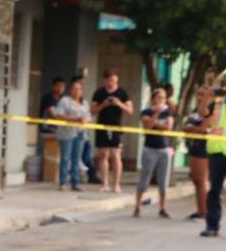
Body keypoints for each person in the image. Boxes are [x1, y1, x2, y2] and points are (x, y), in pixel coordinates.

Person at [134, 87, 175, 218]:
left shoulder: (168, 112)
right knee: (145, 179)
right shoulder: (146, 111)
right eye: (159, 97)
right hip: (150, 148)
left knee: (163, 181)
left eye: (163, 98)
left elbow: (168, 127)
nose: (161, 100)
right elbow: (147, 126)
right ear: (153, 99)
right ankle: (137, 206)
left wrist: (156, 124)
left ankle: (163, 208)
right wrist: (156, 114)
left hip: (164, 149)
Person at [91, 69, 133, 193]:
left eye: (114, 81)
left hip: (116, 126)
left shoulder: (122, 93)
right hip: (102, 126)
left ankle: (116, 184)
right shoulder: (99, 93)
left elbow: (130, 111)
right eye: (109, 80)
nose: (111, 83)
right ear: (105, 80)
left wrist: (119, 103)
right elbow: (93, 110)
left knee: (115, 155)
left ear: (117, 80)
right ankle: (105, 184)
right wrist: (103, 105)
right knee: (103, 155)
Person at [53, 77, 91, 191]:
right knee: (65, 157)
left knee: (77, 158)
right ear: (71, 90)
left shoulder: (84, 103)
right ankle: (63, 182)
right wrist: (75, 119)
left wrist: (85, 120)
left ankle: (75, 182)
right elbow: (58, 115)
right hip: (66, 133)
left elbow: (88, 116)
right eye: (74, 89)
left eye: (79, 89)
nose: (77, 91)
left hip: (80, 133)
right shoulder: (65, 101)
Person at [183, 84, 214, 220]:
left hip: (204, 146)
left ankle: (205, 211)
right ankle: (200, 209)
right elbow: (185, 127)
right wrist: (193, 129)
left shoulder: (212, 109)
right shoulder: (195, 110)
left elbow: (203, 129)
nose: (200, 97)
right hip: (194, 145)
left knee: (201, 180)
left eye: (203, 94)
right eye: (199, 94)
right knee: (195, 179)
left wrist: (193, 129)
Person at [204, 76, 226, 237]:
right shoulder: (217, 102)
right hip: (217, 152)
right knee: (214, 191)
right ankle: (212, 226)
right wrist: (207, 94)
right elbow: (202, 114)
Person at [37, 77, 65, 155]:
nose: (61, 88)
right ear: (54, 87)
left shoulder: (61, 99)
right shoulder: (49, 97)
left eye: (63, 86)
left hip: (57, 129)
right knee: (51, 154)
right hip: (48, 128)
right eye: (59, 86)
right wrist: (67, 119)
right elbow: (53, 114)